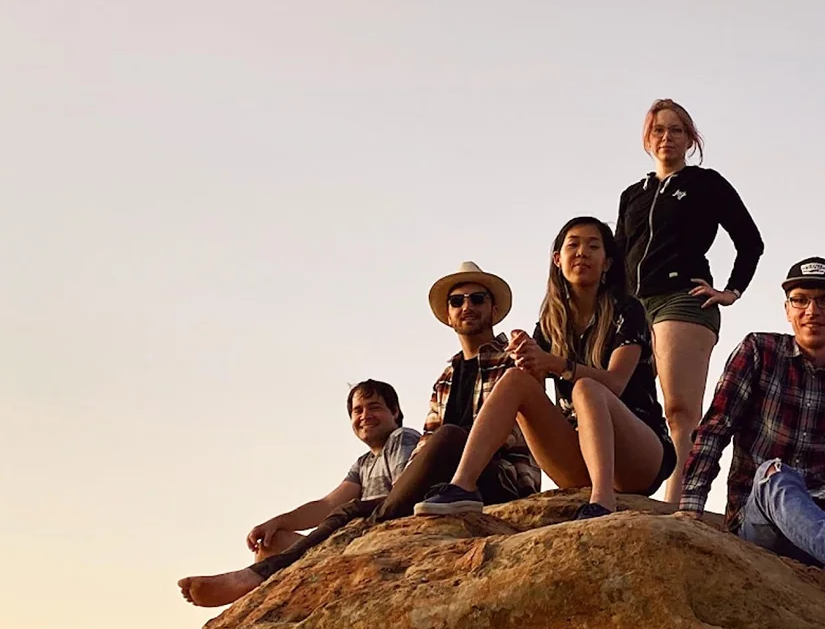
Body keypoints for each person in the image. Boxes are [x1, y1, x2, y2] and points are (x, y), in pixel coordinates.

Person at [176, 262, 540, 607]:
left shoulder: (514, 358)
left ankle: (351, 535)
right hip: (446, 488)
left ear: (494, 309)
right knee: (353, 507)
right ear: (448, 315)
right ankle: (258, 573)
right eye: (457, 301)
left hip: (500, 478)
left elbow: (515, 429)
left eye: (477, 299)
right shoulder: (445, 378)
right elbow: (417, 453)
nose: (467, 307)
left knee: (447, 438)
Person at [677, 257, 825, 615]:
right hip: (761, 519)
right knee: (775, 472)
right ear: (787, 309)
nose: (812, 311)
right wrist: (691, 507)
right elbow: (716, 427)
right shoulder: (758, 351)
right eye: (800, 300)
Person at [414, 217, 677, 519]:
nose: (582, 253)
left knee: (587, 388)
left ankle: (603, 501)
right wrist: (526, 358)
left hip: (639, 455)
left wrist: (556, 363)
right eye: (573, 245)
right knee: (515, 379)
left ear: (606, 263)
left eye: (593, 246)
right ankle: (463, 485)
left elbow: (616, 383)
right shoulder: (551, 324)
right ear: (557, 259)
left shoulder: (627, 311)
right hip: (579, 457)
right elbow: (533, 397)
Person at [615, 98, 764, 507]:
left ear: (689, 139)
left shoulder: (706, 184)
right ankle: (621, 492)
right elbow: (618, 254)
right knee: (621, 401)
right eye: (658, 130)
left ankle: (679, 501)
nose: (667, 137)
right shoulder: (633, 195)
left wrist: (731, 290)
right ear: (647, 139)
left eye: (676, 130)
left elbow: (750, 241)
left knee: (679, 408)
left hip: (681, 299)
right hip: (632, 308)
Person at [176, 380, 419, 607]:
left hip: (385, 537)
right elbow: (327, 505)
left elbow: (403, 494)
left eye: (374, 407)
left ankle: (251, 577)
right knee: (272, 542)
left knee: (348, 511)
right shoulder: (364, 463)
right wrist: (278, 522)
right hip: (352, 540)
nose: (365, 416)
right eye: (358, 410)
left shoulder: (401, 438)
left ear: (394, 412)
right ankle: (258, 607)